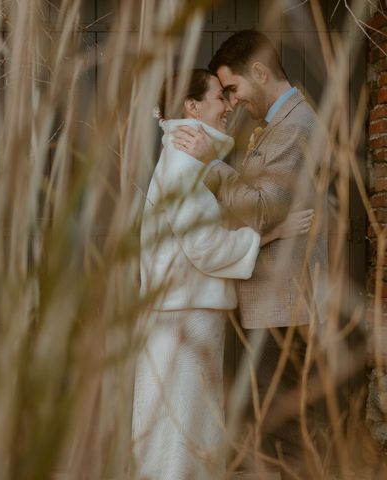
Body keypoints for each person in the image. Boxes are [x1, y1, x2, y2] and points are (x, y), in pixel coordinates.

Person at [132, 69, 313, 480]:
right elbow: (204, 247)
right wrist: (267, 237)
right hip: (184, 317)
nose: (228, 106)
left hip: (188, 312)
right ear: (192, 107)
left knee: (187, 420)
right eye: (218, 97)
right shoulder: (181, 164)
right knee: (181, 422)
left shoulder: (189, 162)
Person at [172, 30, 328, 478]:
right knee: (276, 423)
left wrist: (210, 164)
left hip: (285, 302)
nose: (234, 101)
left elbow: (258, 211)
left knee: (283, 428)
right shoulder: (278, 125)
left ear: (259, 73)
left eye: (234, 88)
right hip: (270, 305)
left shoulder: (297, 127)